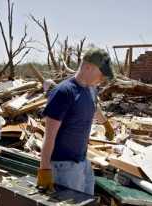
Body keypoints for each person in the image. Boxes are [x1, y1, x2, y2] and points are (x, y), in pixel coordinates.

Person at [37, 48, 115, 194]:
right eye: (102, 74)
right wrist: (44, 169)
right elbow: (49, 136)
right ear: (88, 67)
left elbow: (94, 106)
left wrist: (106, 124)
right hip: (63, 165)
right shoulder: (64, 92)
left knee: (87, 203)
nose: (103, 78)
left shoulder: (91, 89)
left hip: (82, 160)